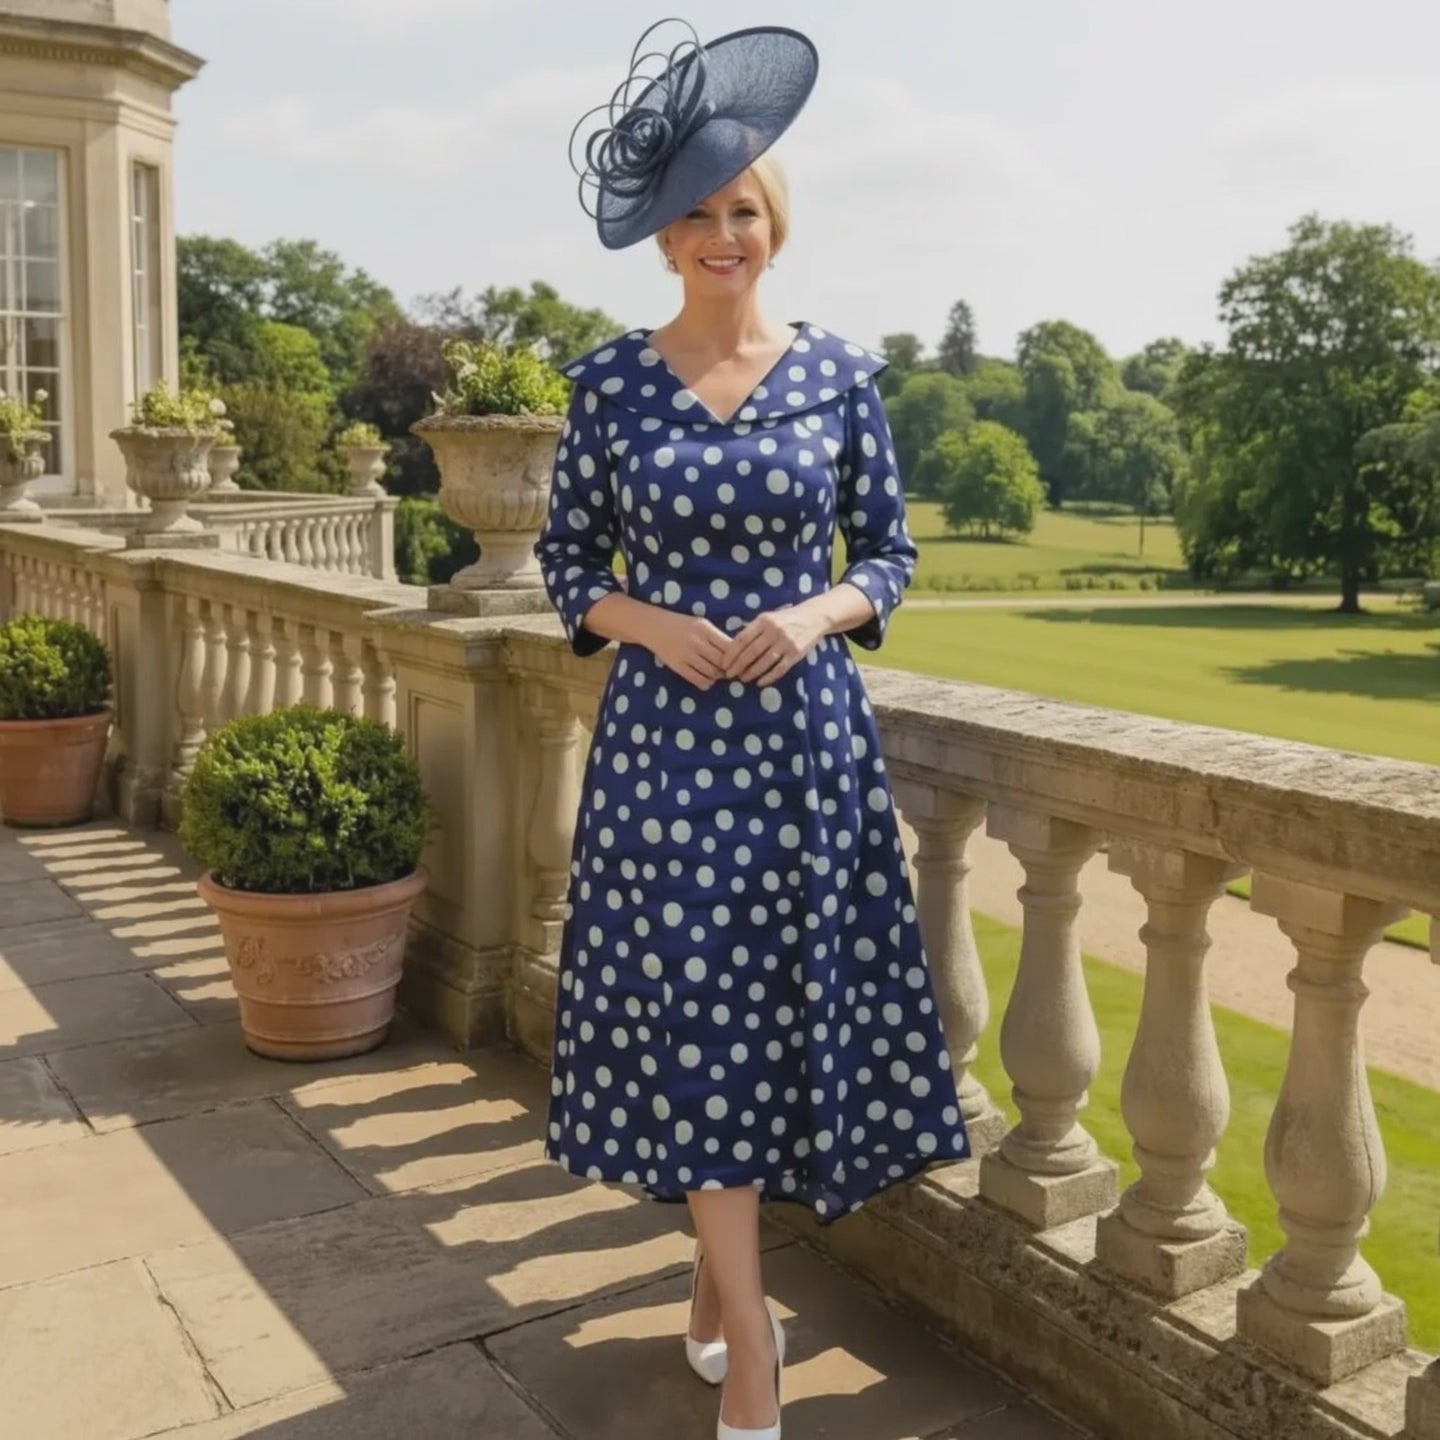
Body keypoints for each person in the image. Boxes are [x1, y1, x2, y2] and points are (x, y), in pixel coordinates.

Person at [534, 20, 970, 1439]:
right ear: (663, 237)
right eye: (700, 215)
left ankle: (713, 1298)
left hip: (803, 758)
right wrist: (647, 621)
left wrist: (817, 612)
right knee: (696, 1031)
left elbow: (891, 555)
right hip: (664, 760)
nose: (726, 235)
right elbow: (566, 567)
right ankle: (760, 1340)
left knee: (776, 1029)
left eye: (746, 210)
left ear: (771, 223)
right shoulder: (607, 385)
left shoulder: (840, 373)